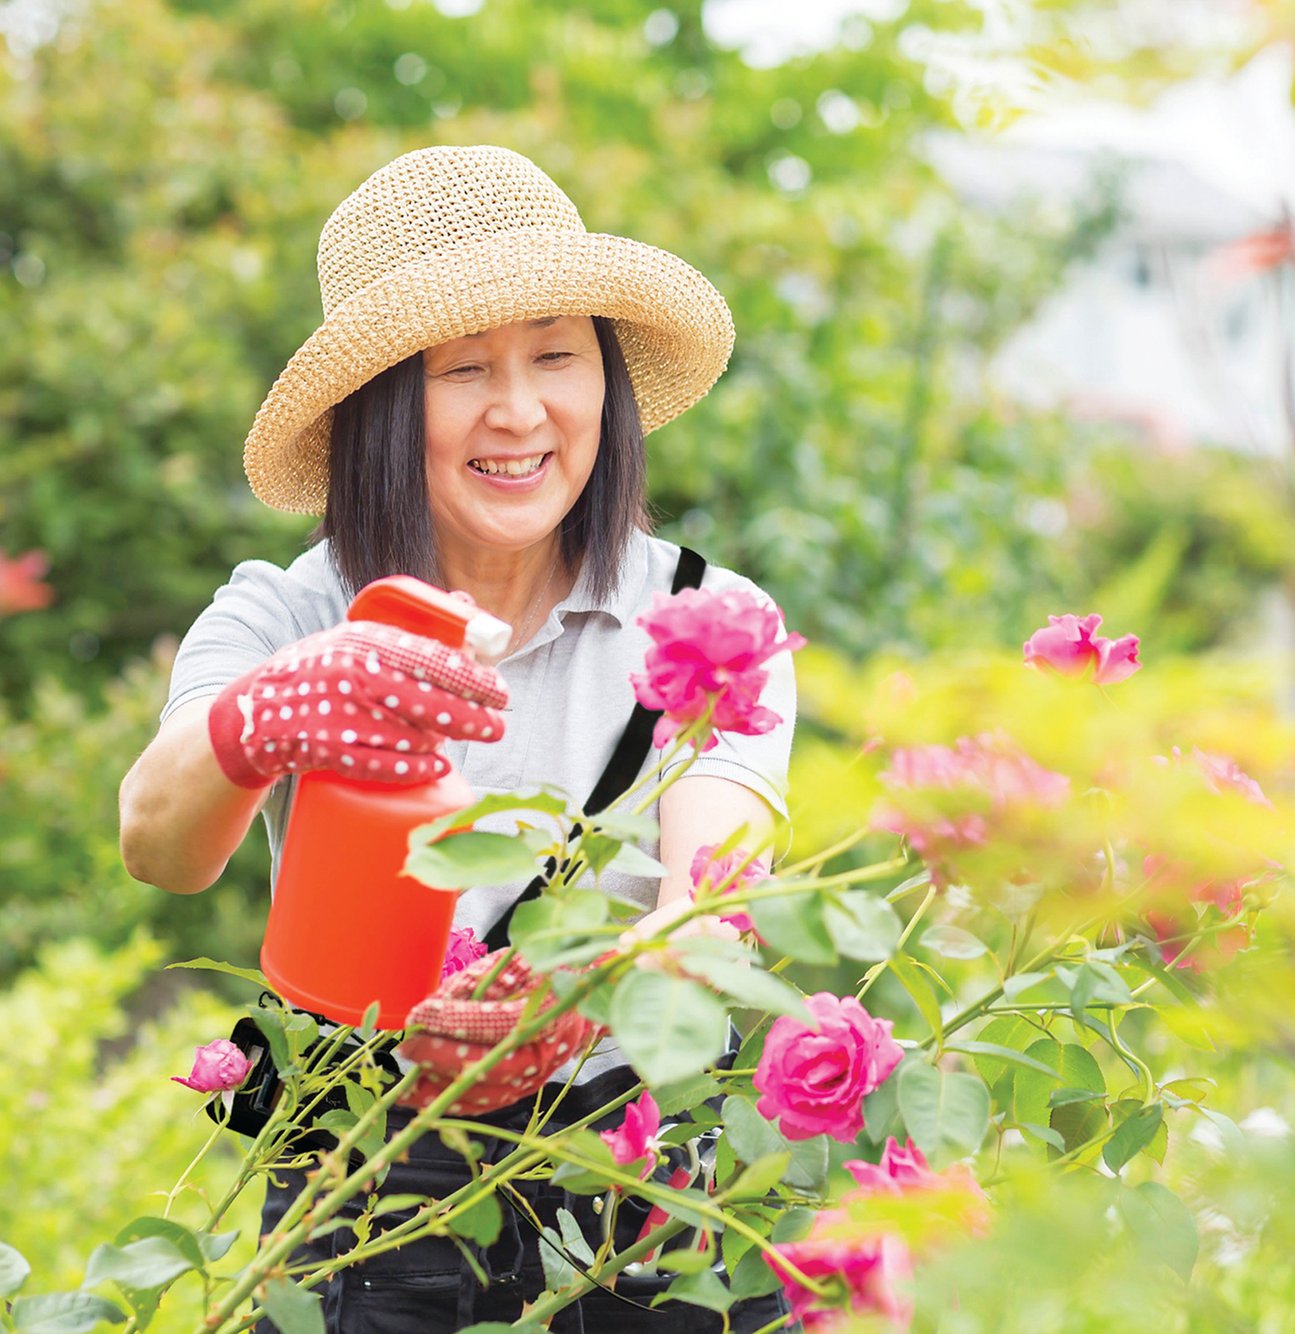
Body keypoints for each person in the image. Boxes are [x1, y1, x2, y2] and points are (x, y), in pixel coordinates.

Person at [117, 144, 795, 1331]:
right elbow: (160, 846)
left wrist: (590, 987)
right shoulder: (290, 612)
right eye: (462, 369)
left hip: (638, 1195)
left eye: (555, 356)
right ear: (381, 406)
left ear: (607, 383)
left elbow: (716, 894)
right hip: (367, 1200)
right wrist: (261, 714)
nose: (520, 410)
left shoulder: (709, 622)